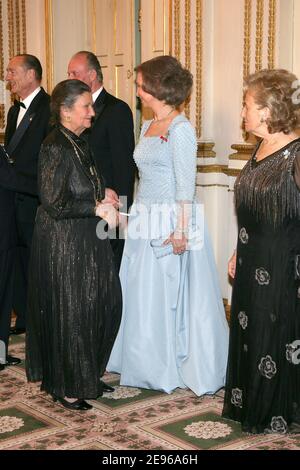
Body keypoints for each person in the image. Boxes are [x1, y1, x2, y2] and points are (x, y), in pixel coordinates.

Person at [107, 56, 229, 395]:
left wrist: (181, 231)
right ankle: (142, 360)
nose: (137, 90)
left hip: (171, 222)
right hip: (144, 219)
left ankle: (167, 364)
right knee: (140, 293)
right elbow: (143, 178)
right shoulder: (147, 126)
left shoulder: (181, 129)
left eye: (140, 84)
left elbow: (185, 186)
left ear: (156, 88)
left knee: (166, 296)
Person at [25, 79, 122, 410]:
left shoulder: (80, 141)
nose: (92, 112)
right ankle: (67, 385)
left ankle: (85, 374)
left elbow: (82, 185)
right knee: (72, 313)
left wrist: (102, 193)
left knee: (103, 303)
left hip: (87, 238)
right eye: (85, 107)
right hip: (63, 243)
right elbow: (53, 201)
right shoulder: (55, 145)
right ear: (65, 111)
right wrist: (95, 207)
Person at [222, 69, 300, 434]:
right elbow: (251, 209)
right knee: (250, 332)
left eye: (246, 105)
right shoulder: (260, 146)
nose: (242, 113)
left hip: (283, 264)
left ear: (268, 110)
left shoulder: (297, 153)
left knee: (275, 336)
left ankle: (276, 409)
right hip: (252, 259)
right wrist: (239, 250)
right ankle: (252, 402)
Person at [67, 51, 136, 270]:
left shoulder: (116, 110)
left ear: (92, 75)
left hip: (111, 210)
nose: (69, 78)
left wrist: (123, 213)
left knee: (109, 273)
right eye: (68, 73)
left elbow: (124, 167)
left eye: (74, 73)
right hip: (83, 209)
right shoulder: (71, 113)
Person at [0, 54, 50, 339]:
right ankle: (25, 317)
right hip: (11, 201)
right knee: (16, 262)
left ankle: (41, 319)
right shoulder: (11, 111)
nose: (8, 77)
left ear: (31, 75)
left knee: (35, 262)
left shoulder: (49, 108)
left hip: (34, 198)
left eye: (12, 71)